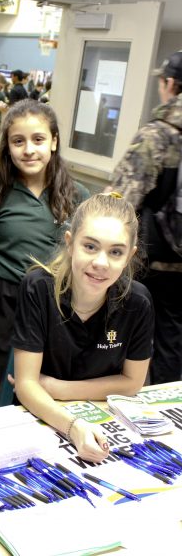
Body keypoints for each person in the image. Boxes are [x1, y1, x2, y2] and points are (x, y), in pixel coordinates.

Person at [0, 99, 89, 409]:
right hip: (0, 301)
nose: (29, 149)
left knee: (43, 391)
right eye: (18, 141)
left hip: (52, 304)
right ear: (7, 147)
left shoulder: (77, 195)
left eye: (38, 139)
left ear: (53, 141)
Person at [12, 193, 153, 463]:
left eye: (115, 252)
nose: (101, 262)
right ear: (70, 243)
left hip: (102, 417)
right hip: (41, 413)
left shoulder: (138, 302)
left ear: (129, 256)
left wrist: (58, 387)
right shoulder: (38, 288)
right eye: (90, 246)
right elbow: (26, 385)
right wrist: (74, 427)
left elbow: (133, 382)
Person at [108, 50, 182, 385]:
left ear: (170, 84)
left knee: (131, 341)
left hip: (154, 266)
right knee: (174, 348)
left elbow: (119, 204)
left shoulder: (156, 136)